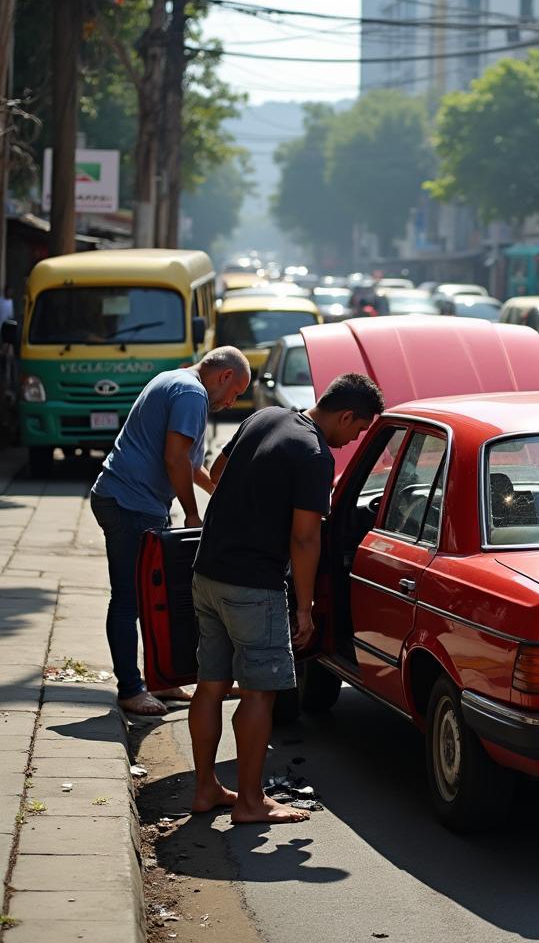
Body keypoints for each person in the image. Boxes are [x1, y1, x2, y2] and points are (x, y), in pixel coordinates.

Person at [188, 372, 384, 823]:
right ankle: (251, 803)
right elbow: (304, 539)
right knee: (260, 694)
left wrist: (249, 510)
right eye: (357, 430)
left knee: (211, 686)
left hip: (207, 571)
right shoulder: (314, 454)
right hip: (254, 585)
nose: (354, 439)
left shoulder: (264, 417)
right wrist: (304, 607)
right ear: (347, 414)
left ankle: (205, 790)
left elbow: (217, 473)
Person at [90, 348, 251, 717]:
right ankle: (131, 689)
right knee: (129, 599)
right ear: (224, 376)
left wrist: (221, 495)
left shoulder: (175, 379)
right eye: (236, 392)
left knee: (152, 597)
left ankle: (162, 680)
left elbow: (191, 464)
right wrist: (192, 513)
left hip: (128, 499)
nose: (232, 402)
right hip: (130, 504)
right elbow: (175, 458)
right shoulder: (192, 393)